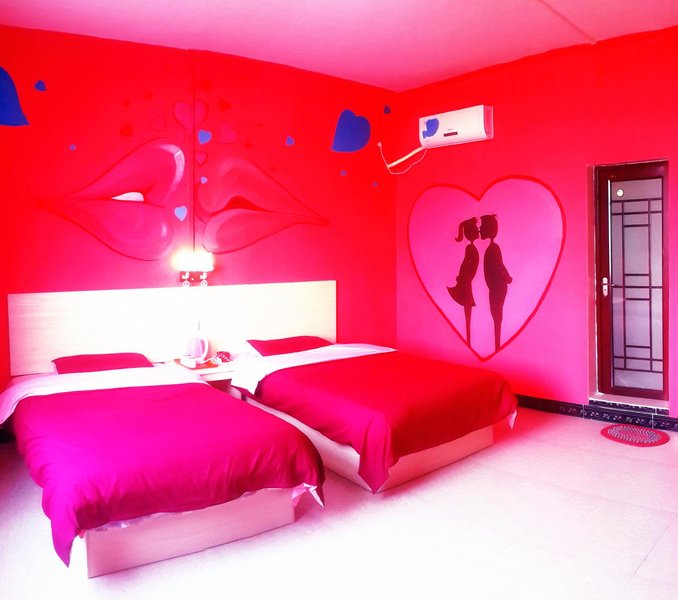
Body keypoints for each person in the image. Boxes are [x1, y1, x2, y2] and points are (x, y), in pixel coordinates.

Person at [480, 214, 512, 352]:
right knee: (495, 315)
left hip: (497, 288)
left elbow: (500, 265)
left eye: (482, 227)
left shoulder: (494, 248)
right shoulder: (491, 248)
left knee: (497, 315)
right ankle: (496, 345)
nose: (480, 229)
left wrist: (507, 277)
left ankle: (497, 345)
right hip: (494, 287)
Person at [448, 217, 479, 345]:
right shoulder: (470, 248)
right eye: (476, 229)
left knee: (468, 307)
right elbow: (465, 263)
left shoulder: (472, 248)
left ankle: (468, 336)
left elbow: (468, 264)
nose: (478, 230)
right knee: (467, 306)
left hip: (467, 280)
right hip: (466, 280)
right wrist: (462, 277)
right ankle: (468, 337)